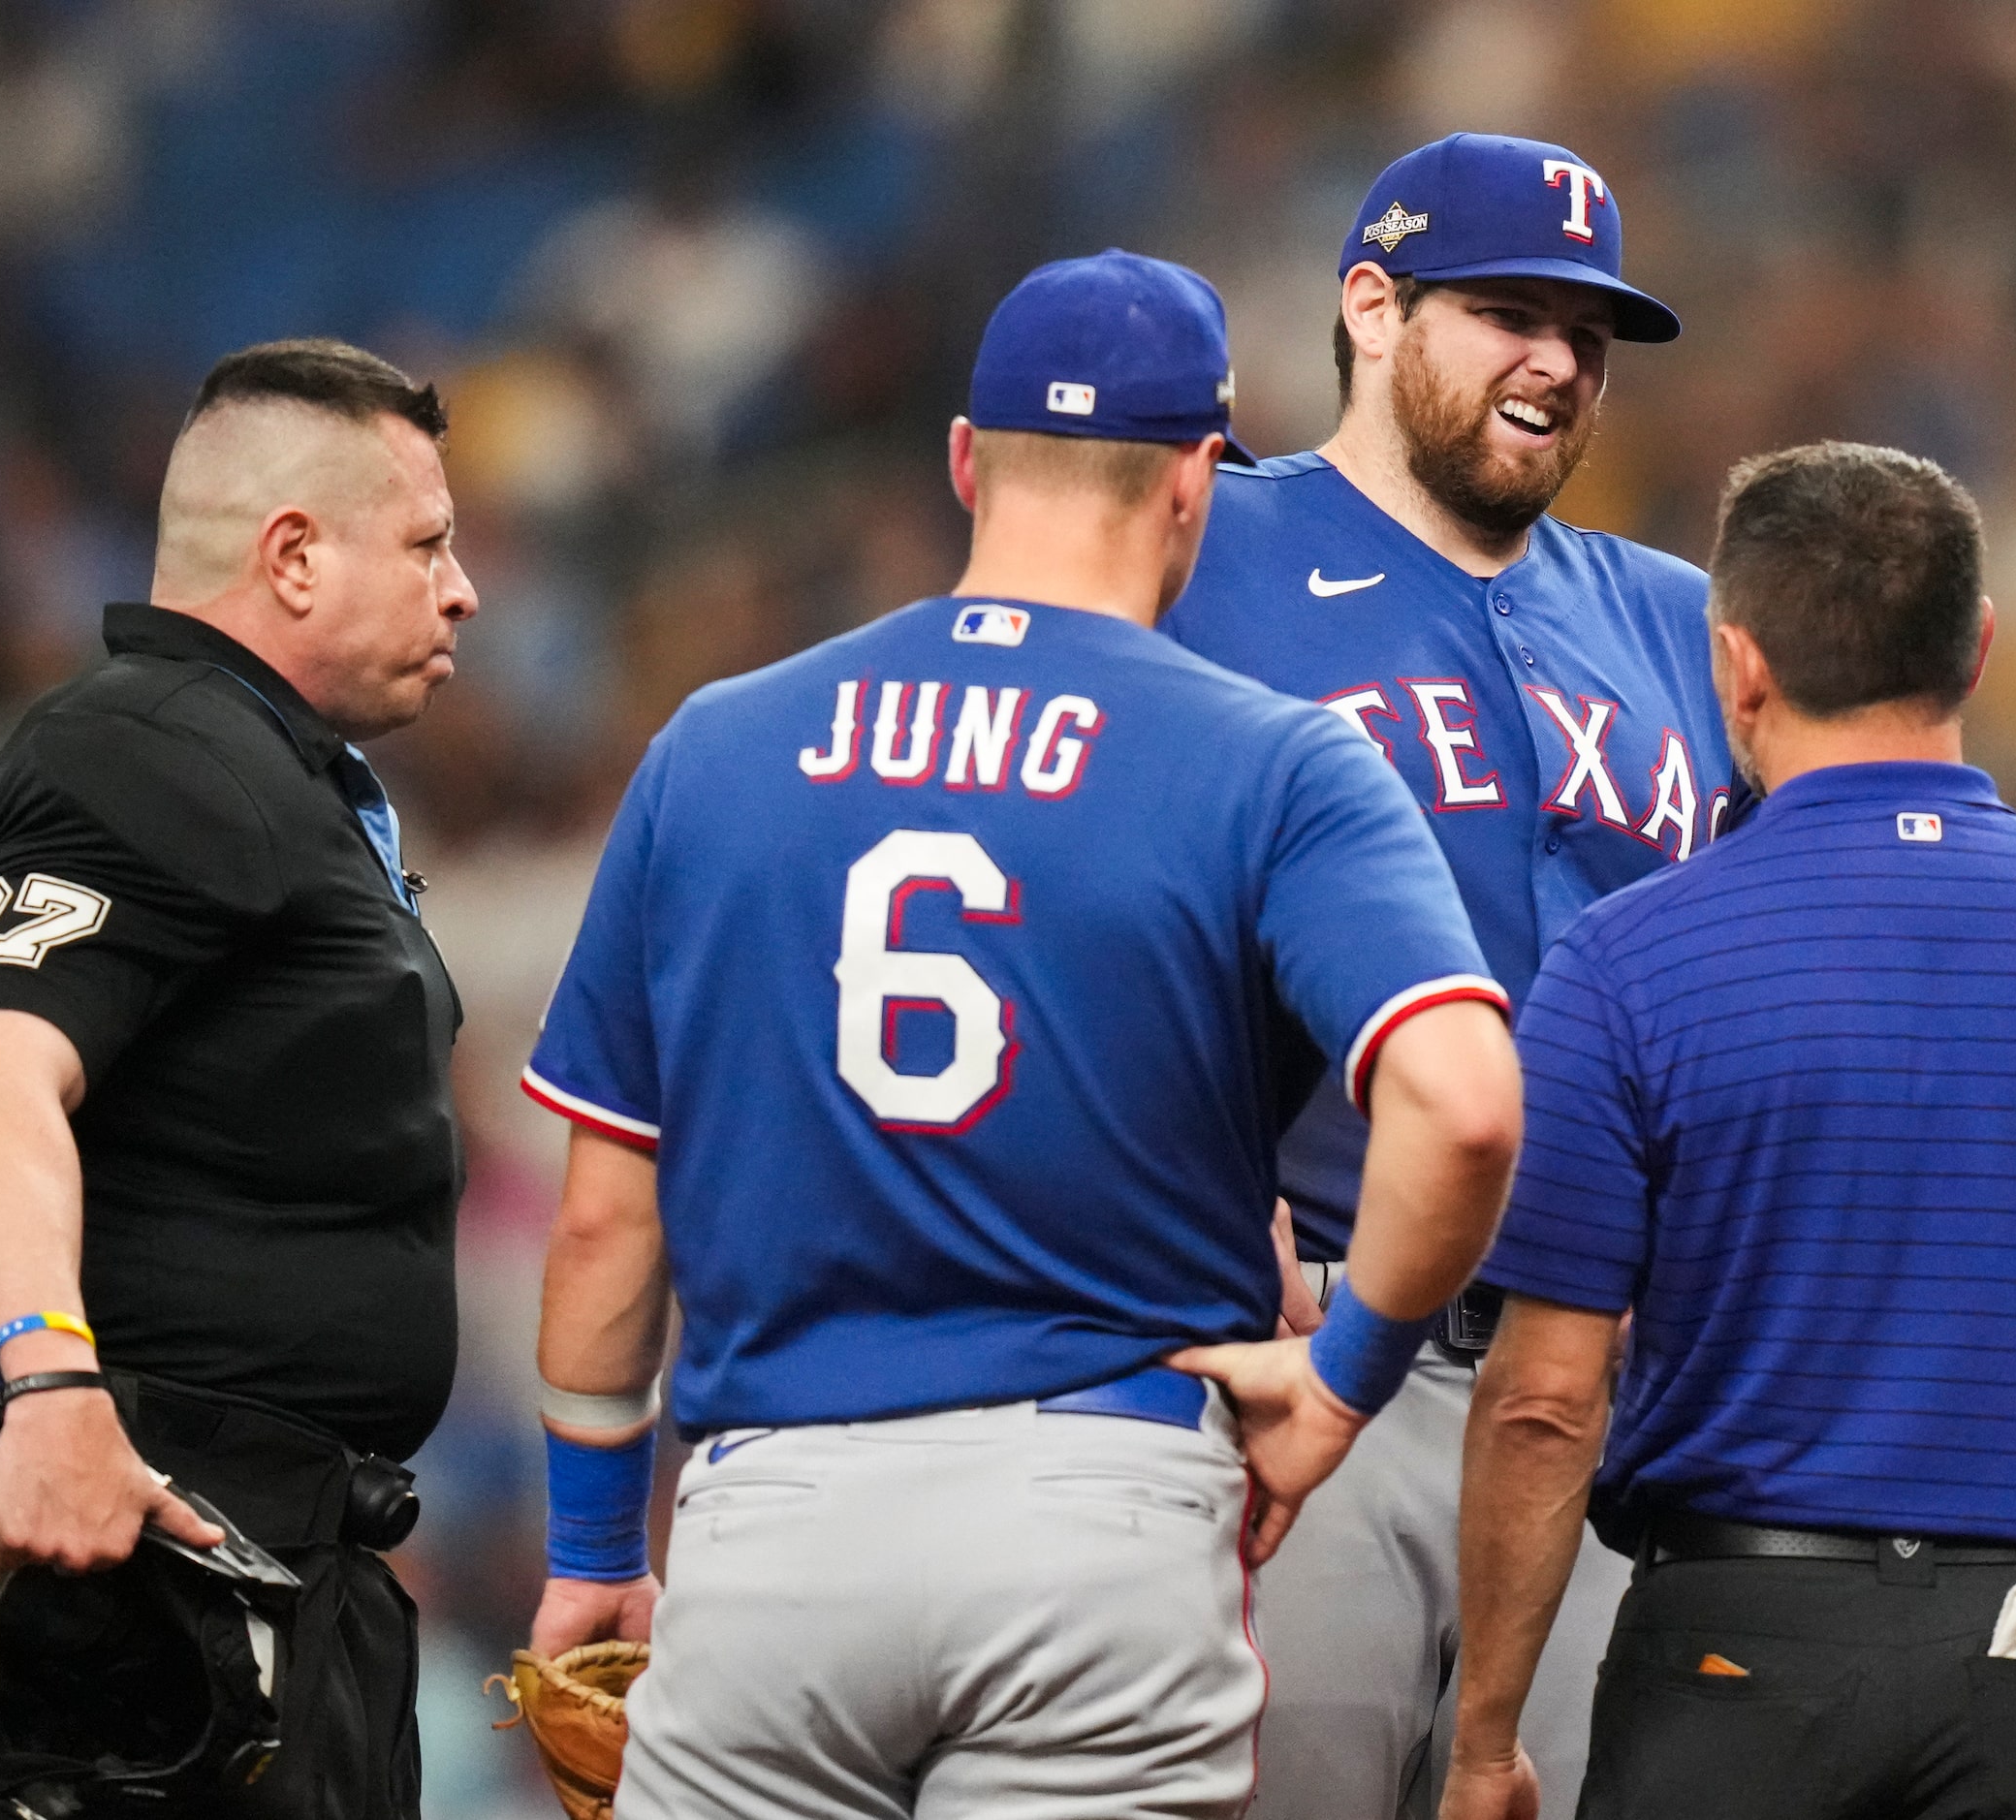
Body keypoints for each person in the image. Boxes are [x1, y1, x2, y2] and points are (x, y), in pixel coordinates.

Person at [518, 250, 1524, 1820]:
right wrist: (1339, 1382)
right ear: (1197, 480)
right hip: (1100, 1506)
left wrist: (589, 1545)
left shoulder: (715, 746)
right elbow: (1463, 1108)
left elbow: (601, 1213)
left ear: (965, 458)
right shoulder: (1276, 765)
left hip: (776, 1516)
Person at [1440, 441, 2016, 1820]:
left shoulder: (1625, 962)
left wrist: (1485, 1735)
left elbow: (1547, 1398)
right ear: (1975, 648)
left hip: (1733, 1659)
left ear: (1734, 663)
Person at [1158, 131, 1733, 1820]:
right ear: (1370, 309)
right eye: (1505, 310)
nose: (1557, 360)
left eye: (1589, 332)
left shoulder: (1683, 620)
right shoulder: (1204, 552)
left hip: (1607, 1393)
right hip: (1308, 1350)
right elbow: (1061, 884)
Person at [0, 337, 478, 1818]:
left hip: (270, 1571)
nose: (460, 587)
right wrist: (47, 1385)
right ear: (293, 557)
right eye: (425, 544)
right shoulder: (147, 751)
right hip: (153, 1578)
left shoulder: (259, 770)